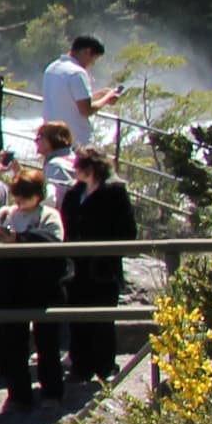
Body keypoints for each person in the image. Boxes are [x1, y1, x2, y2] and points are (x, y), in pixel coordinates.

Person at [0, 163, 67, 405]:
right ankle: (19, 394)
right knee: (13, 343)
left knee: (47, 342)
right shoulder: (5, 214)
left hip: (42, 286)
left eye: (25, 195)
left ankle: (51, 390)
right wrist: (0, 239)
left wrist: (19, 239)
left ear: (38, 195)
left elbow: (53, 241)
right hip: (11, 287)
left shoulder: (48, 215)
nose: (19, 200)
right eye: (17, 194)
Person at [60, 147, 140, 387]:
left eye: (79, 166)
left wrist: (109, 253)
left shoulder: (114, 191)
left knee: (103, 319)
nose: (75, 170)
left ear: (92, 167)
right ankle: (80, 365)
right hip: (77, 267)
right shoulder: (75, 194)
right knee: (77, 318)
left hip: (103, 266)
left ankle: (105, 365)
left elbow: (127, 230)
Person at [41, 34, 119, 151]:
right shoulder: (77, 73)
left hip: (52, 137)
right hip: (74, 140)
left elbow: (68, 98)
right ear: (87, 52)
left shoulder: (52, 68)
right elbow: (85, 110)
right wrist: (107, 98)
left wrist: (99, 95)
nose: (92, 64)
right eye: (94, 59)